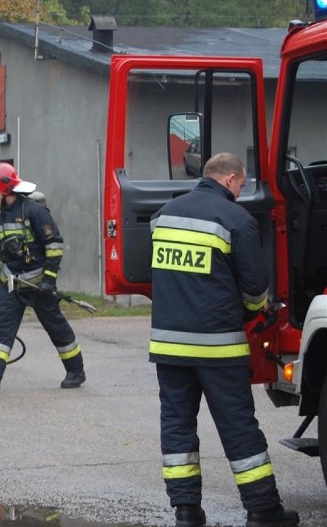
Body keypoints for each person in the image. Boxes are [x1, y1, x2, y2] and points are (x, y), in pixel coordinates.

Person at [149, 153, 298, 527]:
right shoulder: (236, 220)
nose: (241, 189)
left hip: (168, 346)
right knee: (237, 426)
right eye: (242, 183)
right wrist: (252, 314)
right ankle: (263, 510)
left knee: (177, 425)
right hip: (218, 346)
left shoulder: (163, 216)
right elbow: (254, 289)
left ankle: (186, 511)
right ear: (231, 179)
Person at [0, 162, 86, 392]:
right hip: (11, 282)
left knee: (55, 327)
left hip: (38, 284)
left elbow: (54, 246)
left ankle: (75, 370)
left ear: (6, 189)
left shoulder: (34, 211)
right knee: (2, 327)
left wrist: (49, 280)